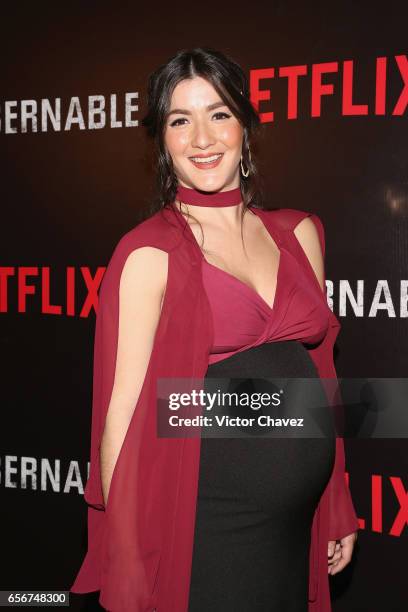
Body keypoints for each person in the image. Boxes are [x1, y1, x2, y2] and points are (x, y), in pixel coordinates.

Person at [70, 47, 359, 612]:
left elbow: (322, 382)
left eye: (219, 113)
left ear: (246, 126)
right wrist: (131, 564)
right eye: (181, 120)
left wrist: (335, 503)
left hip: (293, 530)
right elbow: (122, 420)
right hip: (202, 527)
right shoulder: (148, 252)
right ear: (163, 142)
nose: (202, 137)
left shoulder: (299, 234)